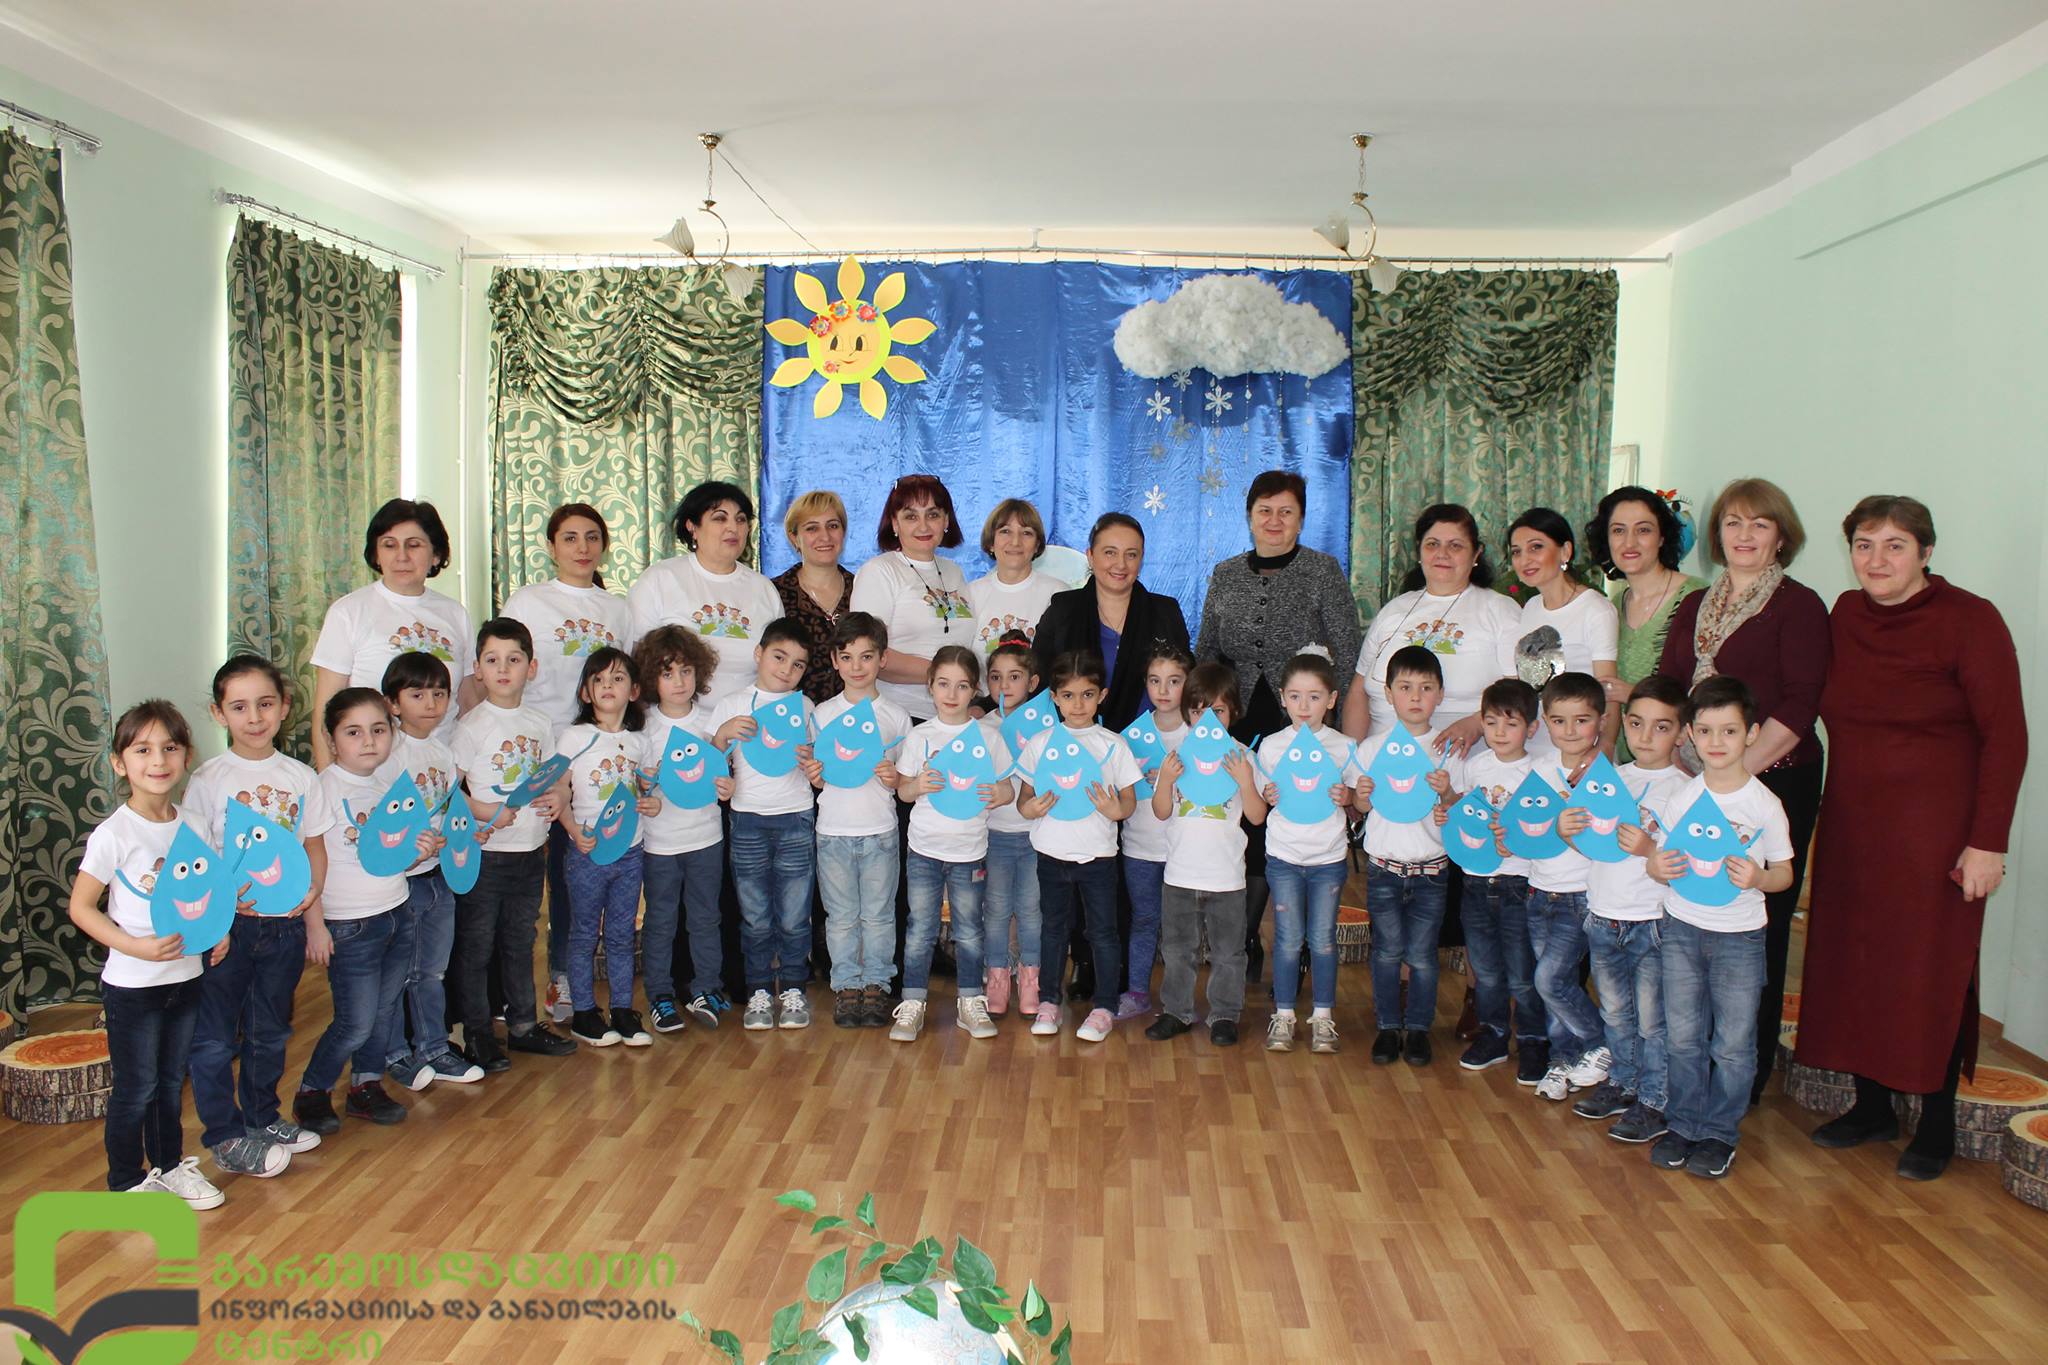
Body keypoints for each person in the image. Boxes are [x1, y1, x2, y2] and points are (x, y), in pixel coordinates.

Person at [1800, 496, 2028, 1181]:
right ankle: (1871, 1107)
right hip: (1853, 822)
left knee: (1929, 969)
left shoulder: (1970, 619)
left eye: (1895, 545)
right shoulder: (1845, 613)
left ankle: (1936, 1121)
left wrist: (1988, 842)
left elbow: (2007, 738)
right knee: (1854, 962)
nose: (1877, 560)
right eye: (1864, 544)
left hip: (1938, 833)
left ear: (1926, 552)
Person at [1655, 477, 1829, 1102]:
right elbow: (1671, 684)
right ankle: (1692, 1056)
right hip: (1697, 777)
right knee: (1694, 912)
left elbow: (1801, 702)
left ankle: (1745, 1071)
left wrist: (1733, 776)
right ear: (1717, 533)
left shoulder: (1799, 605)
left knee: (1758, 923)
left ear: (1782, 536)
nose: (1745, 534)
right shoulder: (1696, 603)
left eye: (1760, 523)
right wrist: (1677, 761)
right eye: (1733, 522)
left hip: (1774, 780)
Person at [70, 700, 242, 1206]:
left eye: (169, 748)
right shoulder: (115, 833)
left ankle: (168, 1167)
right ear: (119, 763)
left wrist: (218, 931)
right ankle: (126, 1180)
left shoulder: (193, 824)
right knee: (136, 1087)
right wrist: (136, 947)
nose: (158, 760)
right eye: (142, 750)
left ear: (186, 756)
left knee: (169, 1083)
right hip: (133, 987)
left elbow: (205, 894)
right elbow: (81, 908)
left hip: (185, 979)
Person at [182, 656, 330, 1175]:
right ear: (218, 713)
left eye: (265, 704)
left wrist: (312, 905)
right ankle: (224, 1135)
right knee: (216, 1037)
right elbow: (195, 858)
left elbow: (314, 847)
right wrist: (220, 908)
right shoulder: (207, 780)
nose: (254, 717)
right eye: (239, 706)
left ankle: (262, 1118)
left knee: (271, 1030)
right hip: (228, 929)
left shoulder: (301, 777)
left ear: (284, 707)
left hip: (283, 926)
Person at [1645, 677, 1795, 1181]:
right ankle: (1683, 1125)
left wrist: (1759, 878)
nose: (1716, 741)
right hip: (1682, 930)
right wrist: (1656, 867)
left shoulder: (1764, 804)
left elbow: (1784, 874)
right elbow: (1661, 861)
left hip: (1740, 939)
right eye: (1705, 730)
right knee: (1683, 1037)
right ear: (1690, 733)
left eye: (1729, 731)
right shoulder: (1683, 797)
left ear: (1751, 734)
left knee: (1732, 1044)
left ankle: (1719, 1133)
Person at [502, 501, 630, 1021]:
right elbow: (504, 668)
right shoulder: (529, 601)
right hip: (545, 757)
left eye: (592, 537)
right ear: (551, 546)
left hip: (599, 760)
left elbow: (625, 679)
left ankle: (580, 975)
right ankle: (556, 978)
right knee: (553, 873)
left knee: (588, 867)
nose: (582, 548)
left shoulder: (617, 608)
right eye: (571, 538)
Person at [292, 689, 439, 1136]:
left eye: (378, 729)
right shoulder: (322, 789)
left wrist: (417, 853)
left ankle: (366, 1085)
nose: (369, 741)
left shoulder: (386, 785)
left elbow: (385, 857)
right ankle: (312, 1091)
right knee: (355, 1022)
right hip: (348, 925)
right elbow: (308, 864)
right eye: (353, 732)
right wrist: (315, 926)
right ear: (332, 739)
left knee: (384, 1012)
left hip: (397, 913)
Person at [1566, 674, 1690, 1145]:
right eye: (1636, 723)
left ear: (1682, 734)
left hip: (1653, 921)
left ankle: (1655, 1100)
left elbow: (1688, 867)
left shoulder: (1686, 791)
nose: (1645, 736)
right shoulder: (1611, 779)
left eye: (1661, 727)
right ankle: (1623, 1082)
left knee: (1653, 1020)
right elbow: (1586, 842)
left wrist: (1649, 847)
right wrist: (1565, 828)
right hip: (1603, 913)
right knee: (1616, 1013)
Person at [448, 618, 575, 1069]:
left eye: (514, 659)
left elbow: (554, 775)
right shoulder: (471, 726)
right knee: (477, 947)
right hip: (485, 856)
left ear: (531, 668)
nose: (503, 669)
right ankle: (478, 1034)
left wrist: (560, 794)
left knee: (521, 942)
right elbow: (450, 790)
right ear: (478, 670)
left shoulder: (539, 722)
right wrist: (485, 812)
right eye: (492, 660)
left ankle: (522, 1026)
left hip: (530, 851)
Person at [1018, 649, 1142, 1043]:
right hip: (1051, 855)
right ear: (1054, 697)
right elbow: (1024, 799)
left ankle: (1104, 1007)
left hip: (1098, 858)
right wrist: (1030, 808)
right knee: (1053, 930)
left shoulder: (1112, 744)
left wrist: (1115, 809)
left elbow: (1128, 801)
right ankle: (1048, 1002)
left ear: (1102, 695)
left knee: (1103, 932)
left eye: (1087, 695)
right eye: (1068, 696)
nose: (1078, 705)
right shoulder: (1040, 743)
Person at [892, 646, 1015, 1041]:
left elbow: (1008, 789)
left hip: (969, 852)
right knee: (920, 930)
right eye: (943, 684)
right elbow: (903, 792)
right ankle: (913, 1002)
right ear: (930, 686)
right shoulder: (920, 736)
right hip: (924, 851)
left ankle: (970, 1000)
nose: (952, 693)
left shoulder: (989, 737)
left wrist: (998, 794)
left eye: (962, 686)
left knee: (970, 930)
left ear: (975, 690)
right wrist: (917, 784)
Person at [1144, 662, 1265, 1047]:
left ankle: (1225, 1014)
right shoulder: (1177, 754)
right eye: (1197, 711)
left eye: (1217, 711)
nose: (1207, 720)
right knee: (1177, 949)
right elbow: (1161, 811)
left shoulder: (1242, 756)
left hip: (1227, 877)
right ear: (1187, 713)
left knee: (1229, 952)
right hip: (1180, 874)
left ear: (1234, 712)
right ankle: (1177, 1011)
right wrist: (1166, 780)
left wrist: (1245, 781)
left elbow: (1257, 816)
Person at [375, 654, 482, 1089]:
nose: (431, 703)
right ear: (393, 703)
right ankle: (395, 1053)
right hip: (401, 883)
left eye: (439, 694)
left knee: (432, 970)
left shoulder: (443, 750)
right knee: (396, 974)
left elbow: (451, 806)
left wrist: (467, 831)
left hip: (440, 875)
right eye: (417, 694)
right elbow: (381, 823)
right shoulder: (387, 753)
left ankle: (434, 1047)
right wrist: (411, 851)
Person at [709, 618, 819, 1030]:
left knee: (794, 916)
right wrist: (722, 736)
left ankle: (793, 987)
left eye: (797, 664)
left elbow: (819, 765)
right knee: (754, 916)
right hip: (747, 820)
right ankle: (758, 989)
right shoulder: (731, 704)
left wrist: (812, 761)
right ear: (758, 654)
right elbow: (708, 766)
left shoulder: (806, 708)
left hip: (796, 817)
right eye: (778, 657)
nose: (786, 670)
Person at [1197, 470, 1362, 742]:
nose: (1274, 520)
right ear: (1250, 518)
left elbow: (1348, 654)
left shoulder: (1323, 570)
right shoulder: (1225, 573)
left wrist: (1339, 725)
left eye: (1285, 512)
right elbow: (1206, 651)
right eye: (1265, 511)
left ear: (1300, 521)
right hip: (1231, 721)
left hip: (1306, 723)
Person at [1343, 503, 1521, 755]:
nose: (1442, 554)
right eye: (1432, 544)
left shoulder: (1500, 610)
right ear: (1419, 551)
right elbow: (1359, 691)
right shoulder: (1393, 610)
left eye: (1455, 546)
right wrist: (1352, 761)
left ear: (1476, 554)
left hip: (1464, 765)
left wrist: (1477, 723)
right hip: (1380, 766)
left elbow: (1522, 691)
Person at [310, 498, 473, 765]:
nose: (402, 556)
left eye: (414, 545)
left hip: (441, 769)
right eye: (389, 545)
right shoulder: (348, 612)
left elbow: (468, 704)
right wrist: (330, 780)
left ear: (436, 554)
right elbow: (325, 714)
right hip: (372, 772)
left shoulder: (455, 614)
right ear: (376, 554)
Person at [809, 613, 913, 1029]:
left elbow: (904, 780)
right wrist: (814, 776)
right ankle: (846, 986)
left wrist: (894, 776)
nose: (857, 666)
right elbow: (818, 775)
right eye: (847, 656)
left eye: (867, 656)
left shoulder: (897, 716)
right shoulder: (821, 714)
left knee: (879, 915)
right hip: (832, 831)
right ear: (835, 660)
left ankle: (876, 986)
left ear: (882, 659)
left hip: (880, 831)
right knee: (841, 917)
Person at [556, 648, 661, 1049]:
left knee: (621, 933)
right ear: (586, 692)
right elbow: (559, 790)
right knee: (584, 933)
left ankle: (622, 1009)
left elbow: (648, 790)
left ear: (633, 690)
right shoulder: (575, 737)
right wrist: (572, 830)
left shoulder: (639, 741)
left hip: (630, 852)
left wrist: (653, 803)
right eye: (598, 680)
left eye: (617, 679)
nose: (607, 687)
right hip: (587, 853)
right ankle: (584, 1012)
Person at [1443, 680, 1546, 1082]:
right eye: (1491, 722)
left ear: (1531, 728)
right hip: (1475, 881)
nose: (1500, 732)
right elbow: (1464, 812)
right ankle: (1494, 1034)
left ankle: (1534, 1040)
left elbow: (1544, 830)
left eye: (1511, 723)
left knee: (1522, 972)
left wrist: (1514, 838)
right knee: (1485, 968)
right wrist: (1447, 806)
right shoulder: (1475, 766)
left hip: (1518, 883)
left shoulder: (1538, 773)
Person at [1354, 646, 1452, 1066]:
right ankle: (1388, 1026)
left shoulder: (1448, 749)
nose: (1415, 696)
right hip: (1384, 870)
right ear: (1389, 694)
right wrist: (1361, 796)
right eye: (1405, 687)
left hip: (1432, 871)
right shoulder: (1372, 749)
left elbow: (1459, 811)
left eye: (1426, 688)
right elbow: (1361, 807)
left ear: (1440, 695)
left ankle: (1419, 1029)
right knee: (1386, 952)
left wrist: (1448, 793)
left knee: (1423, 956)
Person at [1257, 650, 1357, 1056]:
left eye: (1314, 697)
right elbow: (1261, 800)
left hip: (1327, 859)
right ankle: (1283, 1014)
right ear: (1282, 697)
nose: (1304, 706)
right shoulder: (1271, 746)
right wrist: (1267, 794)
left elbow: (1358, 800)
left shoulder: (1344, 747)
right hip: (1283, 856)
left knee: (1322, 940)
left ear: (1331, 700)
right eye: (1295, 696)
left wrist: (1348, 797)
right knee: (1286, 939)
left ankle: (1323, 1016)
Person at [635, 626, 733, 1033]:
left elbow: (724, 775)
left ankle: (706, 986)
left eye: (686, 671)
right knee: (660, 921)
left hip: (706, 838)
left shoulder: (711, 723)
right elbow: (635, 784)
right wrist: (646, 789)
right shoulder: (642, 727)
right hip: (660, 843)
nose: (679, 681)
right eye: (667, 673)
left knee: (706, 918)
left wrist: (728, 787)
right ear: (651, 678)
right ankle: (660, 993)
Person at [1524, 672, 1611, 1102]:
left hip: (1580, 895)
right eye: (1559, 721)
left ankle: (1601, 1044)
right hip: (1538, 891)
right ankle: (1562, 1061)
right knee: (1557, 988)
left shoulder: (1606, 776)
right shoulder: (1538, 770)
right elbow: (1525, 828)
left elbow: (1610, 839)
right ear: (1546, 722)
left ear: (1601, 721)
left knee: (1550, 980)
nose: (1570, 730)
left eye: (1582, 720)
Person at [627, 480, 784, 713]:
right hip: (673, 725)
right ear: (692, 526)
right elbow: (635, 664)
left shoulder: (764, 589)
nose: (733, 528)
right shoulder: (660, 579)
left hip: (749, 723)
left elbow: (781, 664)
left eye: (741, 519)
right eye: (720, 518)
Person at [1035, 513, 1191, 733]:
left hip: (1153, 744)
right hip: (1075, 743)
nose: (1121, 564)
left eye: (1131, 554)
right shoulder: (1064, 609)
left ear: (1141, 559)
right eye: (1110, 552)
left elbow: (1188, 684)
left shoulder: (1165, 612)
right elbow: (1036, 680)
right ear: (1090, 556)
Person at [1586, 489, 1704, 761]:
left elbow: (1708, 690)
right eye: (1618, 530)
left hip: (1682, 761)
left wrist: (1634, 693)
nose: (1629, 542)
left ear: (1662, 537)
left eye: (1643, 530)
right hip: (1626, 761)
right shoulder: (1611, 607)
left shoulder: (1697, 597)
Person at [850, 474, 974, 722]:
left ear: (946, 520)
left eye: (933, 514)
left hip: (953, 716)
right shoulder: (878, 572)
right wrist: (949, 676)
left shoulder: (954, 571)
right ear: (894, 523)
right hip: (897, 717)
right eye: (911, 516)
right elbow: (867, 654)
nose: (923, 526)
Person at [1117, 640, 1193, 1019]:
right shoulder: (1129, 737)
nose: (1163, 690)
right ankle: (1136, 991)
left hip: (1186, 850)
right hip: (1140, 847)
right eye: (1154, 680)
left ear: (1189, 683)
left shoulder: (1198, 736)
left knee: (1182, 930)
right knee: (1144, 920)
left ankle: (1180, 1001)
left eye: (1174, 681)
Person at [1507, 508, 1620, 756]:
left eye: (1536, 547)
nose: (1524, 560)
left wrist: (1605, 747)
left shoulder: (1596, 609)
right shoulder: (1531, 607)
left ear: (1565, 551)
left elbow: (1609, 692)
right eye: (1516, 552)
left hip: (1578, 747)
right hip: (1532, 744)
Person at [982, 639, 1045, 1017]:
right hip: (995, 835)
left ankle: (1031, 979)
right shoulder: (981, 727)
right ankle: (998, 978)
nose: (1004, 685)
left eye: (1015, 677)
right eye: (995, 677)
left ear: (1033, 683)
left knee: (1031, 910)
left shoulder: (1047, 727)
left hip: (1037, 836)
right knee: (996, 911)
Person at [771, 489, 858, 706]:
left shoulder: (863, 588)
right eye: (812, 528)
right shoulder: (774, 592)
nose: (825, 536)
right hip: (794, 717)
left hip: (857, 717)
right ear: (794, 537)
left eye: (833, 526)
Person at [966, 498, 1066, 660]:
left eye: (1026, 533)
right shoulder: (971, 594)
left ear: (1037, 545)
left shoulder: (1059, 595)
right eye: (1005, 531)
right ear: (991, 542)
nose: (1015, 542)